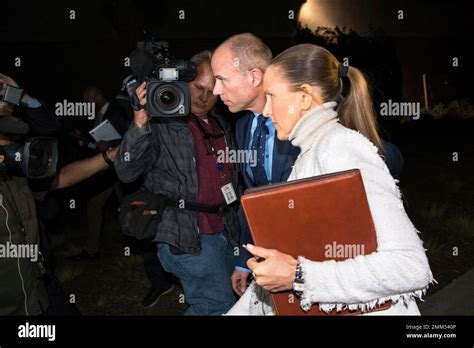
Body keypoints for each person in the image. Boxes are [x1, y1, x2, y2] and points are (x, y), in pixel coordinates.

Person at [227, 43, 433, 315]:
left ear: (304, 98)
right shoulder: (310, 152)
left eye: (272, 96)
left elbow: (410, 267)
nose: (265, 111)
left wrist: (298, 276)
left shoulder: (340, 148)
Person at [115, 50, 240, 315]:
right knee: (216, 305)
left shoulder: (220, 124)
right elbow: (126, 170)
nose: (204, 97)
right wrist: (140, 122)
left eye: (212, 90)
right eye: (197, 87)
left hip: (225, 231)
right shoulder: (162, 122)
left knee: (232, 303)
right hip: (186, 236)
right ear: (182, 82)